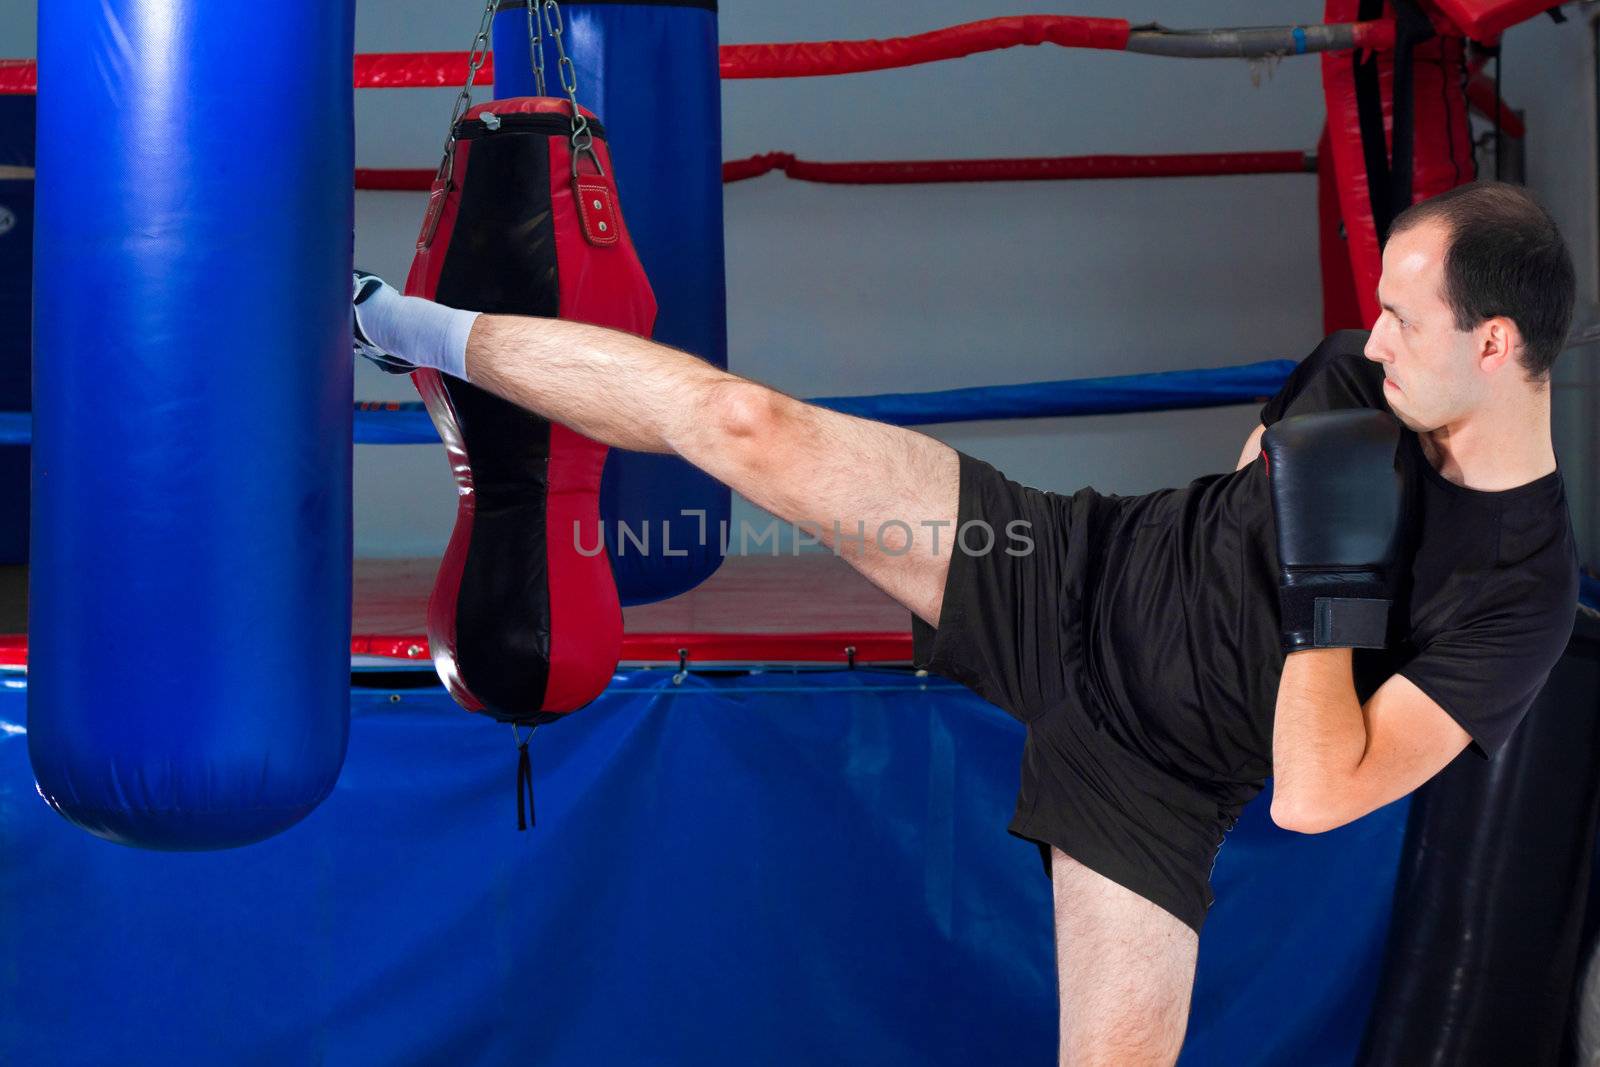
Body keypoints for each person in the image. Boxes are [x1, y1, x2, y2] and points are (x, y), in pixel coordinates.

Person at [351, 180, 1578, 1065]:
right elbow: (1253, 475)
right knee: (744, 426)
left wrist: (1332, 601)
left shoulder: (1517, 595)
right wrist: (1292, 520)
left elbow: (1318, 794)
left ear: (1494, 341)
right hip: (1062, 567)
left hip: (1155, 781)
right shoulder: (1363, 378)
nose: (1370, 339)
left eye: (1401, 321)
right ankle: (390, 321)